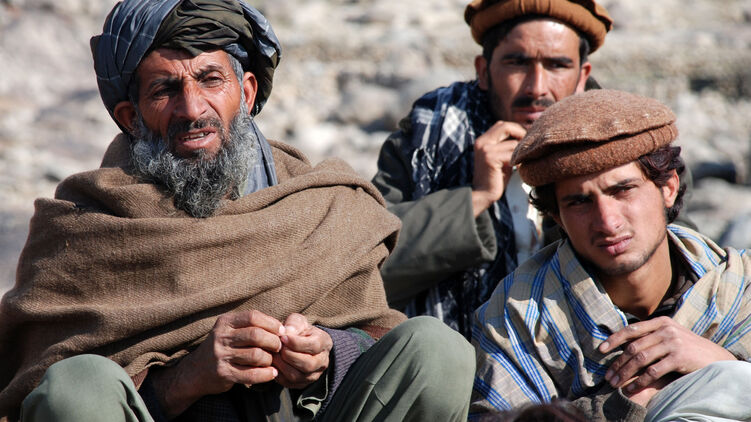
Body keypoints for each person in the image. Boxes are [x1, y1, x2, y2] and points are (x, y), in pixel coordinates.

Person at [0, 1, 475, 421]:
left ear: (245, 93)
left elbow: (372, 327)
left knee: (437, 351)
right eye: (164, 90)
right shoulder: (87, 227)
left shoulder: (317, 203)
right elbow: (38, 386)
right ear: (131, 117)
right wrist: (186, 379)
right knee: (76, 386)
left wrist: (329, 352)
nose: (192, 109)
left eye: (210, 79)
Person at [471, 89, 751, 421]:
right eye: (579, 202)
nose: (607, 222)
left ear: (668, 188)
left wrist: (721, 364)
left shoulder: (740, 286)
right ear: (557, 217)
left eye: (623, 190)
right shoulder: (518, 320)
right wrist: (632, 397)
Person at [371, 0, 613, 338]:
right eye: (517, 63)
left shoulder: (622, 146)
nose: (537, 87)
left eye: (557, 65)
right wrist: (476, 198)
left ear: (582, 77)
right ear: (483, 71)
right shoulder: (422, 140)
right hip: (460, 362)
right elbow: (365, 268)